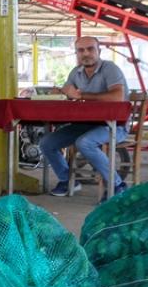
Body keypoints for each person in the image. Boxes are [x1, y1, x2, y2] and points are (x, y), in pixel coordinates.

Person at [39, 36, 128, 199]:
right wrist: (60, 93)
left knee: (85, 142)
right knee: (46, 143)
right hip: (85, 124)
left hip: (114, 125)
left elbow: (118, 96)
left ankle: (118, 185)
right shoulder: (76, 72)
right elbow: (70, 93)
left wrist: (82, 96)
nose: (86, 53)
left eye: (90, 49)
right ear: (76, 54)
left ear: (99, 51)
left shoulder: (110, 68)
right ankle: (67, 180)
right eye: (81, 50)